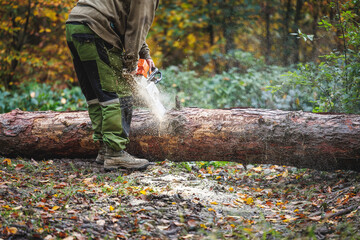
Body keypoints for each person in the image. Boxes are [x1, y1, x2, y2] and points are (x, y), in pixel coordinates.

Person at [65, 0, 159, 170]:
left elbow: (130, 22)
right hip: (96, 27)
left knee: (97, 94)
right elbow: (137, 26)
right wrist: (131, 64)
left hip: (75, 24)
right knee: (117, 94)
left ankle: (104, 148)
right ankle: (114, 153)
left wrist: (145, 55)